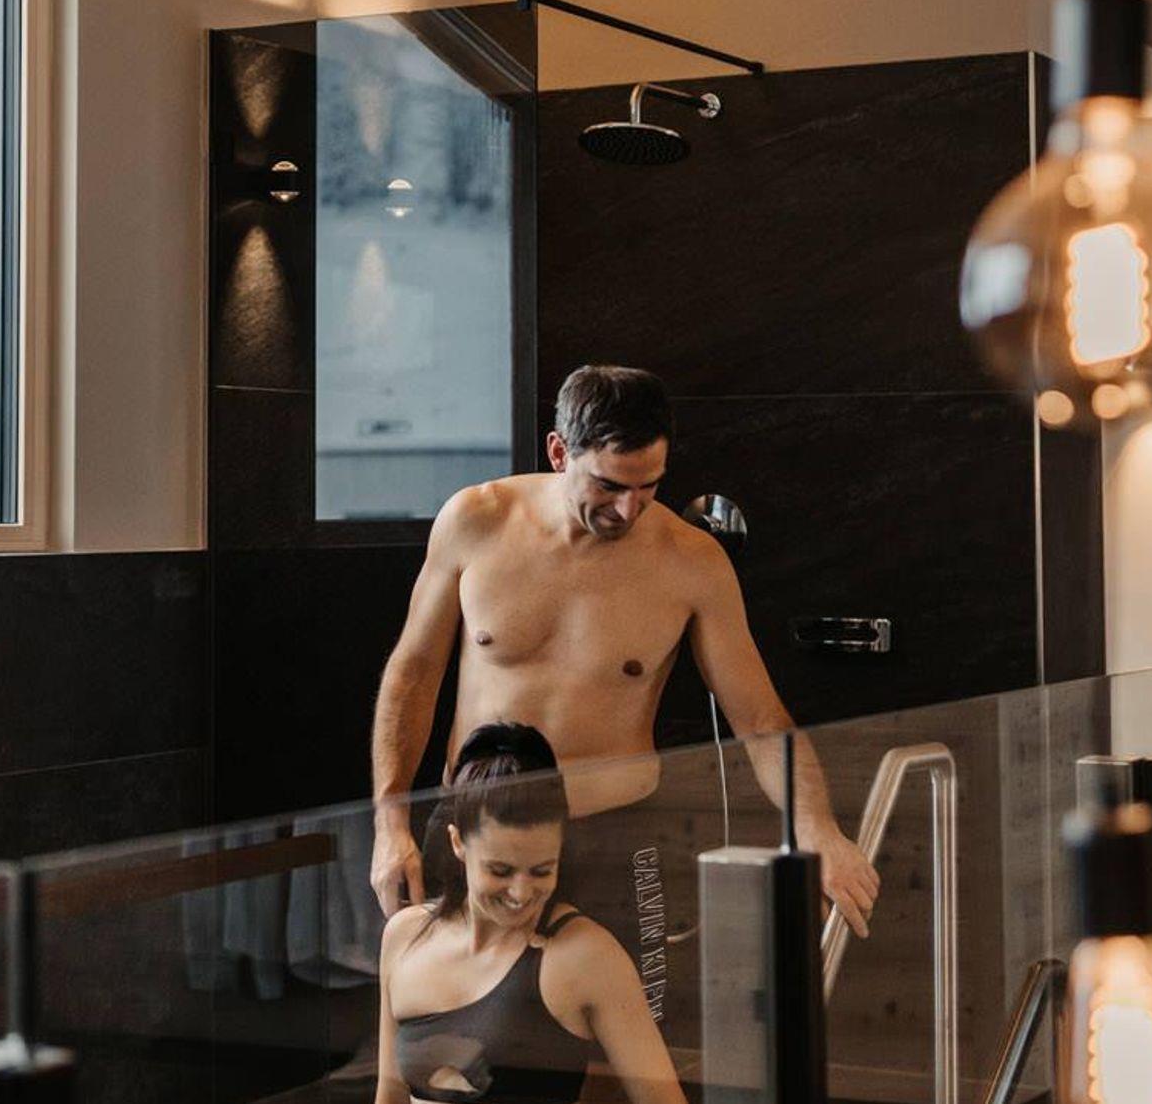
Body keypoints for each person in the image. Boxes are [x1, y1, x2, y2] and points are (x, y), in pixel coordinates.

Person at [369, 365, 878, 1023]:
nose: (628, 510)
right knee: (454, 1036)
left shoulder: (692, 563)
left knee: (625, 1044)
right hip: (480, 830)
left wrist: (818, 828)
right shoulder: (477, 521)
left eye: (649, 487)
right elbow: (413, 673)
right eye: (608, 486)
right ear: (559, 451)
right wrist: (390, 823)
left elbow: (761, 719)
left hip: (617, 835)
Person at [376, 722, 689, 1104]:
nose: (521, 893)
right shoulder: (405, 936)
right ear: (458, 842)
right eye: (500, 870)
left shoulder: (586, 954)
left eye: (542, 870)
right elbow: (389, 1094)